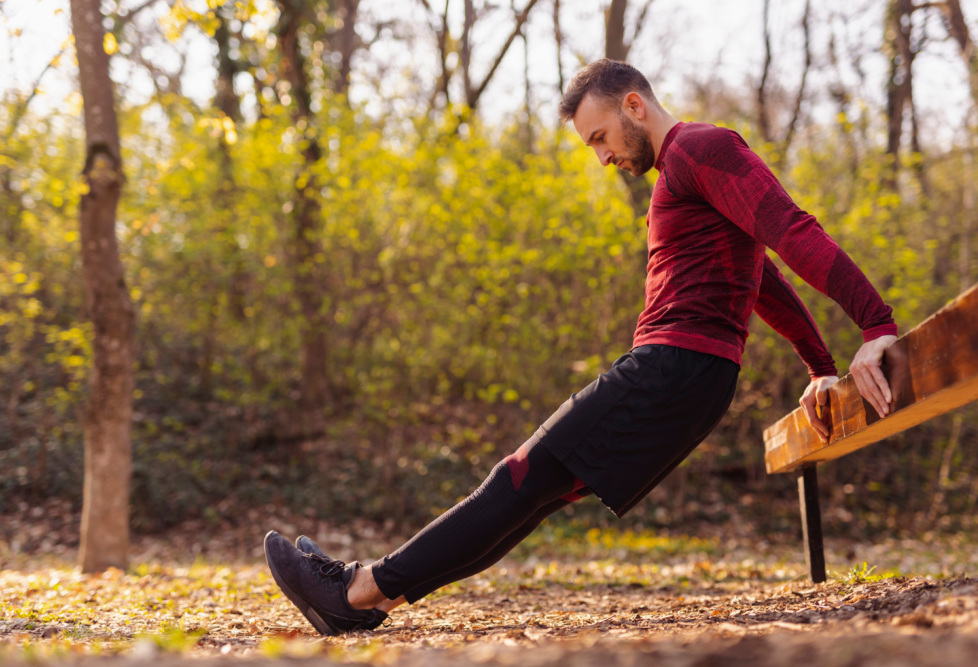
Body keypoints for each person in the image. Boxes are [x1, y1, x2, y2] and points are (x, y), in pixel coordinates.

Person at [262, 59, 899, 635]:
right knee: (531, 493)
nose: (601, 157)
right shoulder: (678, 178)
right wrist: (818, 365)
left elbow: (790, 229)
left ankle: (356, 588)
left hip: (674, 365)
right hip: (692, 375)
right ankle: (371, 601)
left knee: (518, 476)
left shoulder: (703, 147)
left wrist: (875, 327)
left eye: (599, 137)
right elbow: (761, 278)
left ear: (633, 106)